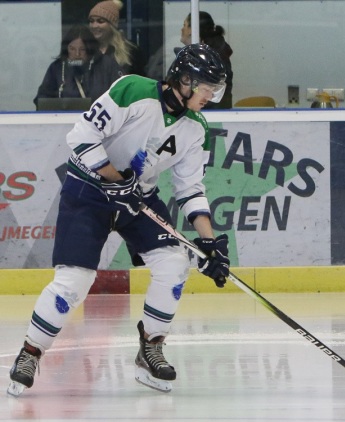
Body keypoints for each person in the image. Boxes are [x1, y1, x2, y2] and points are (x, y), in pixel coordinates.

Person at [7, 44, 230, 396]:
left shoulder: (195, 128)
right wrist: (115, 178)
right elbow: (80, 137)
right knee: (73, 281)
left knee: (174, 263)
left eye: (214, 90)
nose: (209, 96)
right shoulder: (133, 89)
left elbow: (190, 188)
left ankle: (150, 348)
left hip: (138, 197)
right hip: (89, 191)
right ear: (183, 80)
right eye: (205, 87)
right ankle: (30, 352)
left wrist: (210, 243)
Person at [34, 24, 123, 107]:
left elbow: (122, 95)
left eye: (82, 49)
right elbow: (42, 100)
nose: (77, 54)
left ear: (90, 49)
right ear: (66, 48)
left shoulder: (107, 65)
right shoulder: (57, 68)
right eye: (72, 49)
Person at [179, 11, 233, 109]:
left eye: (185, 25)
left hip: (211, 112)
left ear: (192, 30)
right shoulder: (211, 53)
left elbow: (206, 88)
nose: (182, 29)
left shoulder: (210, 58)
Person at [88, 0, 146, 76]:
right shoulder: (86, 49)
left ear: (112, 25)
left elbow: (140, 81)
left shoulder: (131, 51)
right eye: (91, 21)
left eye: (100, 21)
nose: (94, 26)